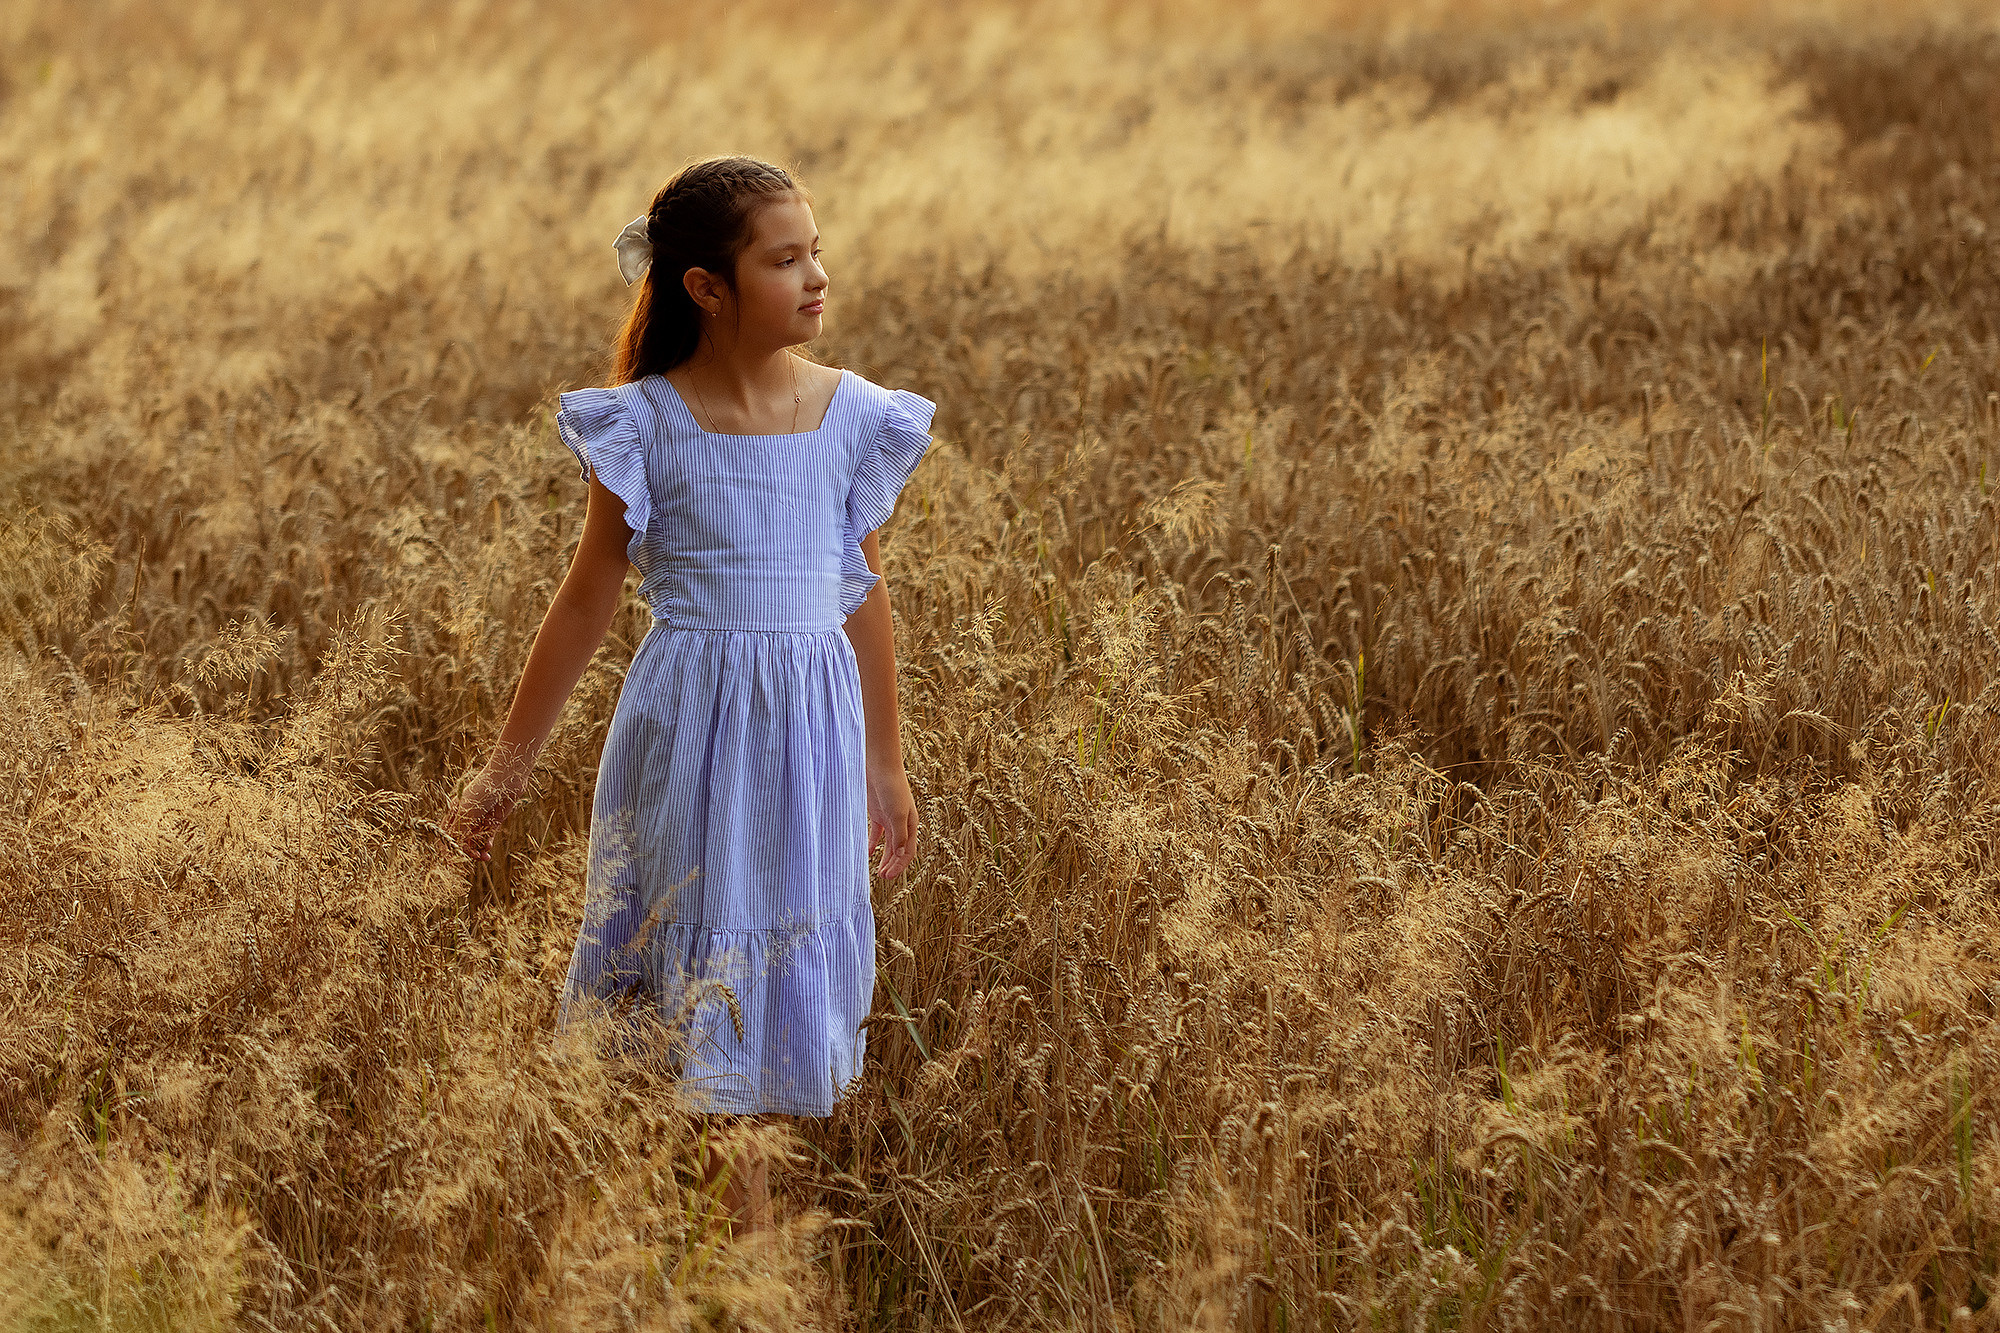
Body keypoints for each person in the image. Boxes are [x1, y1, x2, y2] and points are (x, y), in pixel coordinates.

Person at [444, 154, 928, 1237]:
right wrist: (503, 769)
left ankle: (715, 1251)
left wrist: (885, 765)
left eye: (817, 251)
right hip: (687, 734)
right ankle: (742, 1263)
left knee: (767, 1019)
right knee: (696, 1009)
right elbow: (584, 600)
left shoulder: (854, 417)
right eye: (783, 258)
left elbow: (861, 593)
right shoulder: (647, 422)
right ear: (705, 287)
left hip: (808, 743)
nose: (816, 276)